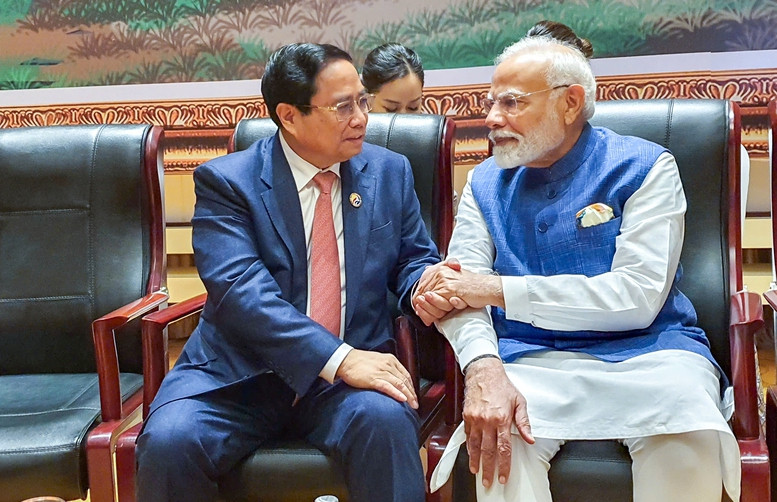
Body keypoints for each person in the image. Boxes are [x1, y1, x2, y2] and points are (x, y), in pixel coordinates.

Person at [414, 33, 740, 502]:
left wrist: (496, 290)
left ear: (570, 103)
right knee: (498, 437)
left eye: (511, 103)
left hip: (652, 355)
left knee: (686, 429)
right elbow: (462, 295)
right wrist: (483, 368)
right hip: (529, 358)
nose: (491, 118)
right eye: (491, 102)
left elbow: (636, 300)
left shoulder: (645, 168)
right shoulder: (484, 183)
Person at [136, 43, 440, 502]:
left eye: (362, 100)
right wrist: (339, 357)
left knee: (387, 422)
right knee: (170, 442)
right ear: (289, 116)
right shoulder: (227, 183)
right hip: (240, 376)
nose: (362, 117)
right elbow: (244, 295)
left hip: (346, 382)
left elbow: (411, 260)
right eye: (343, 107)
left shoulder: (389, 172)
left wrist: (426, 286)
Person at [362, 43, 424, 114]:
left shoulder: (433, 124)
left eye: (413, 108)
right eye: (391, 109)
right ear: (366, 101)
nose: (404, 117)